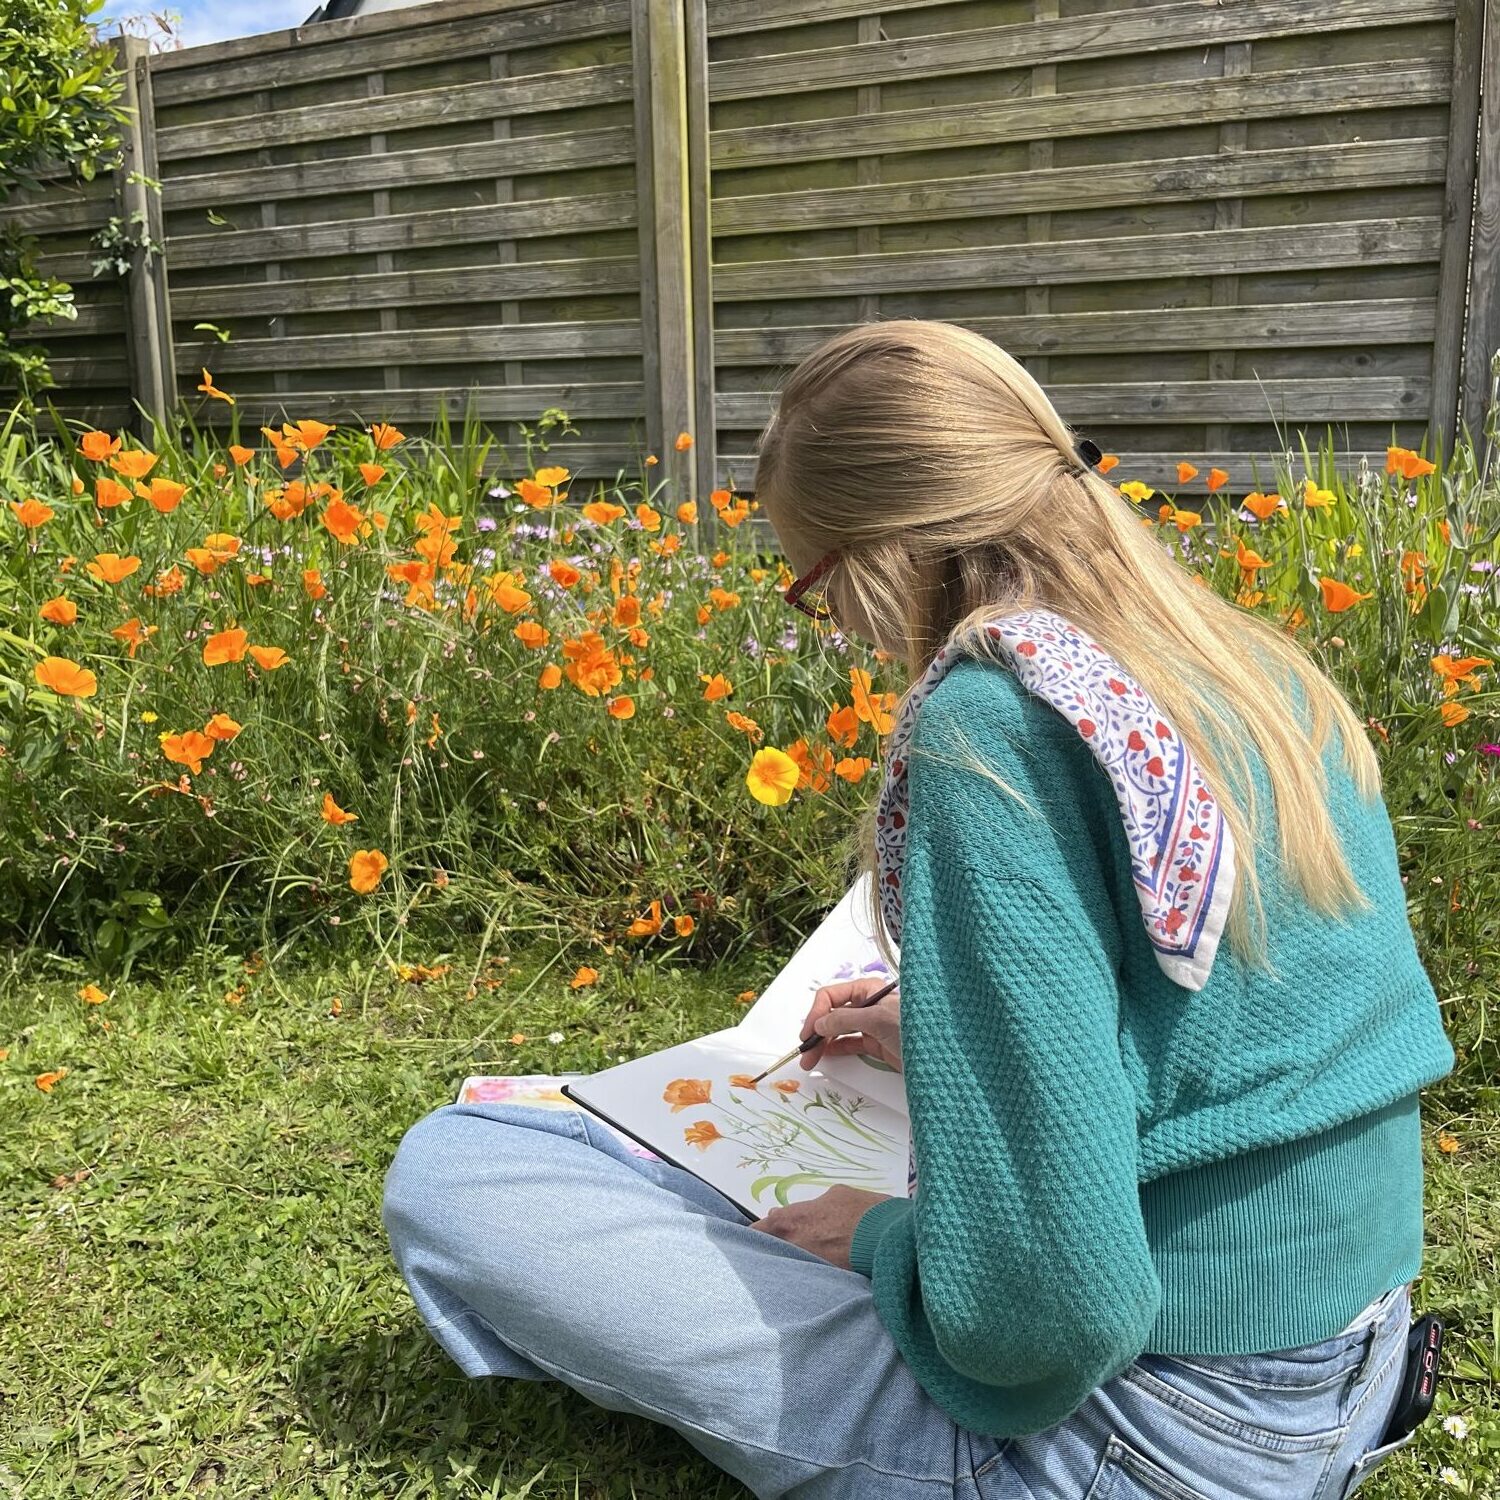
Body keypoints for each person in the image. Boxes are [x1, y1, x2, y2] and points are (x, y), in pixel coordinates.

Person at [381, 319, 1455, 1499]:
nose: (836, 630)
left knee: (462, 1174)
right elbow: (1238, 1029)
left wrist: (886, 1242)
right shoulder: (1249, 669)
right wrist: (944, 1031)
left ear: (881, 555)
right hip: (1356, 1360)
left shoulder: (992, 731)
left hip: (1141, 1436)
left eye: (810, 587)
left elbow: (1049, 1318)